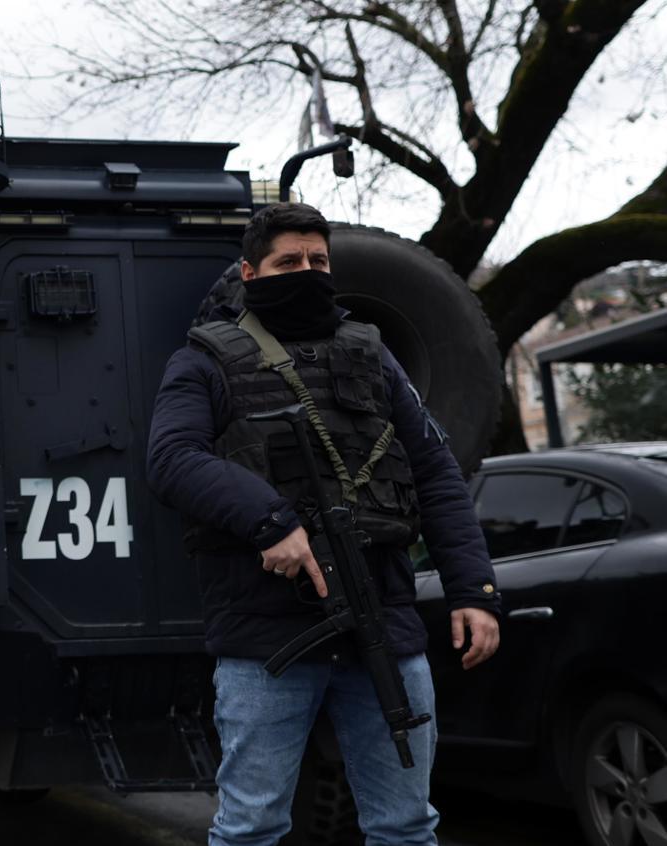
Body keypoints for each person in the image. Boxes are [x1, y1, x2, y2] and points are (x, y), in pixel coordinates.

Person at [146, 202, 501, 846]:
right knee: (250, 827)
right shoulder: (203, 361)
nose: (307, 272)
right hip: (268, 637)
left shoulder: (372, 354)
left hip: (384, 626)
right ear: (251, 273)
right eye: (290, 262)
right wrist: (269, 521)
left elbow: (436, 473)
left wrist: (473, 591)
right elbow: (172, 459)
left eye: (319, 261)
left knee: (407, 826)